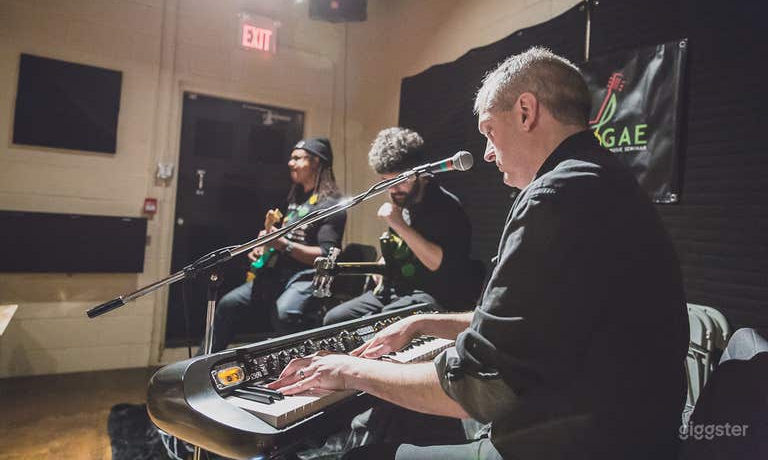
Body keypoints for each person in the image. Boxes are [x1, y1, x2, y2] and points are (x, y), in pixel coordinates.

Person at [268, 47, 689, 459]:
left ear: (526, 112)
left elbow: (479, 385)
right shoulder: (602, 179)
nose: (487, 153)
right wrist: (422, 322)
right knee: (399, 417)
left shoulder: (556, 193)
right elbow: (536, 317)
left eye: (489, 131)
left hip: (577, 442)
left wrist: (347, 371)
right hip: (616, 429)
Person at [322, 127, 474, 326]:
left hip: (432, 296)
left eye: (400, 180)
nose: (393, 189)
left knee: (378, 325)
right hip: (394, 291)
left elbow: (436, 262)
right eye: (386, 181)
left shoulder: (447, 208)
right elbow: (398, 246)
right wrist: (383, 262)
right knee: (334, 319)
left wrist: (398, 223)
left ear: (422, 175)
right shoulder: (403, 204)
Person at [207, 137, 346, 352]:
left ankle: (302, 365)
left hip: (306, 277)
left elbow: (327, 255)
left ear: (317, 162)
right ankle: (203, 365)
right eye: (291, 158)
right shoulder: (296, 199)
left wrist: (283, 245)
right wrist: (264, 247)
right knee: (229, 303)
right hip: (277, 273)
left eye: (298, 158)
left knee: (284, 313)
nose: (291, 163)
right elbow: (280, 238)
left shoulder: (331, 205)